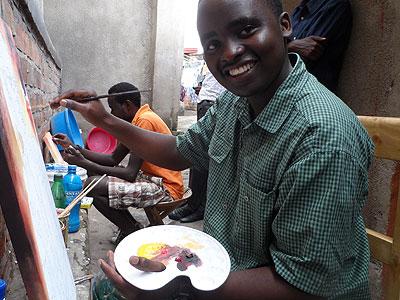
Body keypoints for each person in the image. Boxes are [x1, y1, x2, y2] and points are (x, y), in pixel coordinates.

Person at [51, 0, 373, 299]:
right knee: (107, 284)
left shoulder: (322, 139)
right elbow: (178, 150)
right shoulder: (235, 103)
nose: (229, 53)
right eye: (212, 44)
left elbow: (303, 285)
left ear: (285, 25)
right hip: (227, 269)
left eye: (246, 30)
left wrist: (175, 288)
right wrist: (104, 119)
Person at [54, 82, 184, 244]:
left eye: (112, 107)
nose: (111, 113)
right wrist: (74, 147)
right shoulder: (137, 121)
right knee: (95, 178)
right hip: (151, 180)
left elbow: (130, 173)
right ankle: (131, 227)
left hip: (165, 188)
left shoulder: (144, 121)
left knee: (93, 184)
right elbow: (113, 159)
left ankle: (133, 232)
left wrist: (83, 162)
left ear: (127, 106)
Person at [169, 71, 226, 223]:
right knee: (196, 154)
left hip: (214, 102)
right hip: (206, 102)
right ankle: (192, 203)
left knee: (207, 157)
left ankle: (201, 206)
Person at [288, 0, 352, 92]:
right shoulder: (299, 10)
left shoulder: (334, 5)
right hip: (289, 92)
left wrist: (287, 47)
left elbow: (308, 53)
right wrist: (291, 46)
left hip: (310, 95)